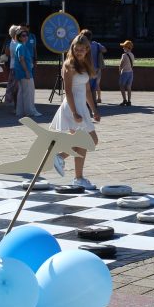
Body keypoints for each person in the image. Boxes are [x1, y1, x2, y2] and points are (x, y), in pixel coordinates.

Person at [50, 32, 101, 190]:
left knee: (85, 142)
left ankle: (76, 175)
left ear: (87, 49)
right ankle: (62, 159)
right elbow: (68, 91)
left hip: (81, 108)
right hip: (72, 107)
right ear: (72, 48)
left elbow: (87, 91)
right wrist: (74, 112)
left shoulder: (85, 65)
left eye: (82, 49)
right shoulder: (69, 65)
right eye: (76, 49)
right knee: (89, 140)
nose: (79, 52)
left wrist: (94, 110)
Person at [13, 27, 41, 117]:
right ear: (19, 37)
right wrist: (27, 71)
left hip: (22, 73)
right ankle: (30, 111)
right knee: (28, 92)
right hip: (25, 73)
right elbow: (21, 60)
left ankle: (20, 111)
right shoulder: (21, 46)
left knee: (22, 92)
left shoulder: (20, 46)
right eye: (23, 35)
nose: (26, 37)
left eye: (26, 35)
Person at [82, 29, 106, 104]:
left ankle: (87, 103)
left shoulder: (83, 45)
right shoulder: (96, 44)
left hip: (86, 69)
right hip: (96, 69)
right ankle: (94, 103)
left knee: (86, 87)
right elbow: (104, 50)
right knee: (93, 87)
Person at [3, 25, 20, 106]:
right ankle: (15, 103)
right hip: (16, 66)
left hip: (12, 65)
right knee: (15, 86)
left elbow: (8, 53)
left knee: (12, 85)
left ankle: (12, 101)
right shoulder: (16, 43)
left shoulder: (11, 42)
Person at [118, 39, 135, 106]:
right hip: (130, 72)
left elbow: (121, 64)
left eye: (124, 46)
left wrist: (119, 70)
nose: (123, 48)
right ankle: (129, 101)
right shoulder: (132, 55)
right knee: (129, 87)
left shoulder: (124, 55)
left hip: (124, 72)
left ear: (127, 47)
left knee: (121, 86)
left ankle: (124, 100)